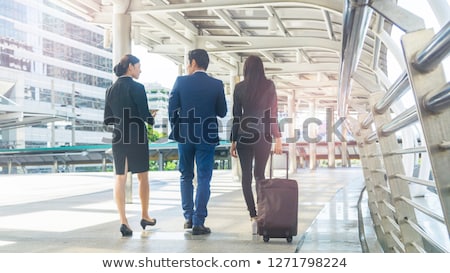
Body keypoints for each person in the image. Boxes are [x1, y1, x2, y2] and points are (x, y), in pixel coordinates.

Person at [168, 49, 227, 235]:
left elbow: (172, 108)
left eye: (187, 63)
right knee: (203, 178)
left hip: (185, 135)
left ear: (193, 62)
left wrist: (178, 125)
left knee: (185, 175)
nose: (187, 66)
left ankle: (188, 217)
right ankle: (199, 221)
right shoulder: (216, 84)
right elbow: (222, 111)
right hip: (206, 136)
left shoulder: (181, 81)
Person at [104, 54, 157, 237]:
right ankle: (144, 215)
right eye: (138, 66)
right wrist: (151, 117)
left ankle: (123, 221)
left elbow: (107, 119)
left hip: (118, 136)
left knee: (120, 178)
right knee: (142, 177)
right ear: (130, 67)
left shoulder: (110, 89)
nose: (140, 70)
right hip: (136, 135)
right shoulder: (137, 87)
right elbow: (144, 115)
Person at [229, 55, 282, 234]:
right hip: (264, 134)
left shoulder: (239, 87)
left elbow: (236, 116)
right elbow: (272, 113)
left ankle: (253, 216)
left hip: (244, 134)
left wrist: (233, 141)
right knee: (260, 175)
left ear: (246, 69)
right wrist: (278, 138)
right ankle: (262, 215)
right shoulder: (269, 86)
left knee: (246, 177)